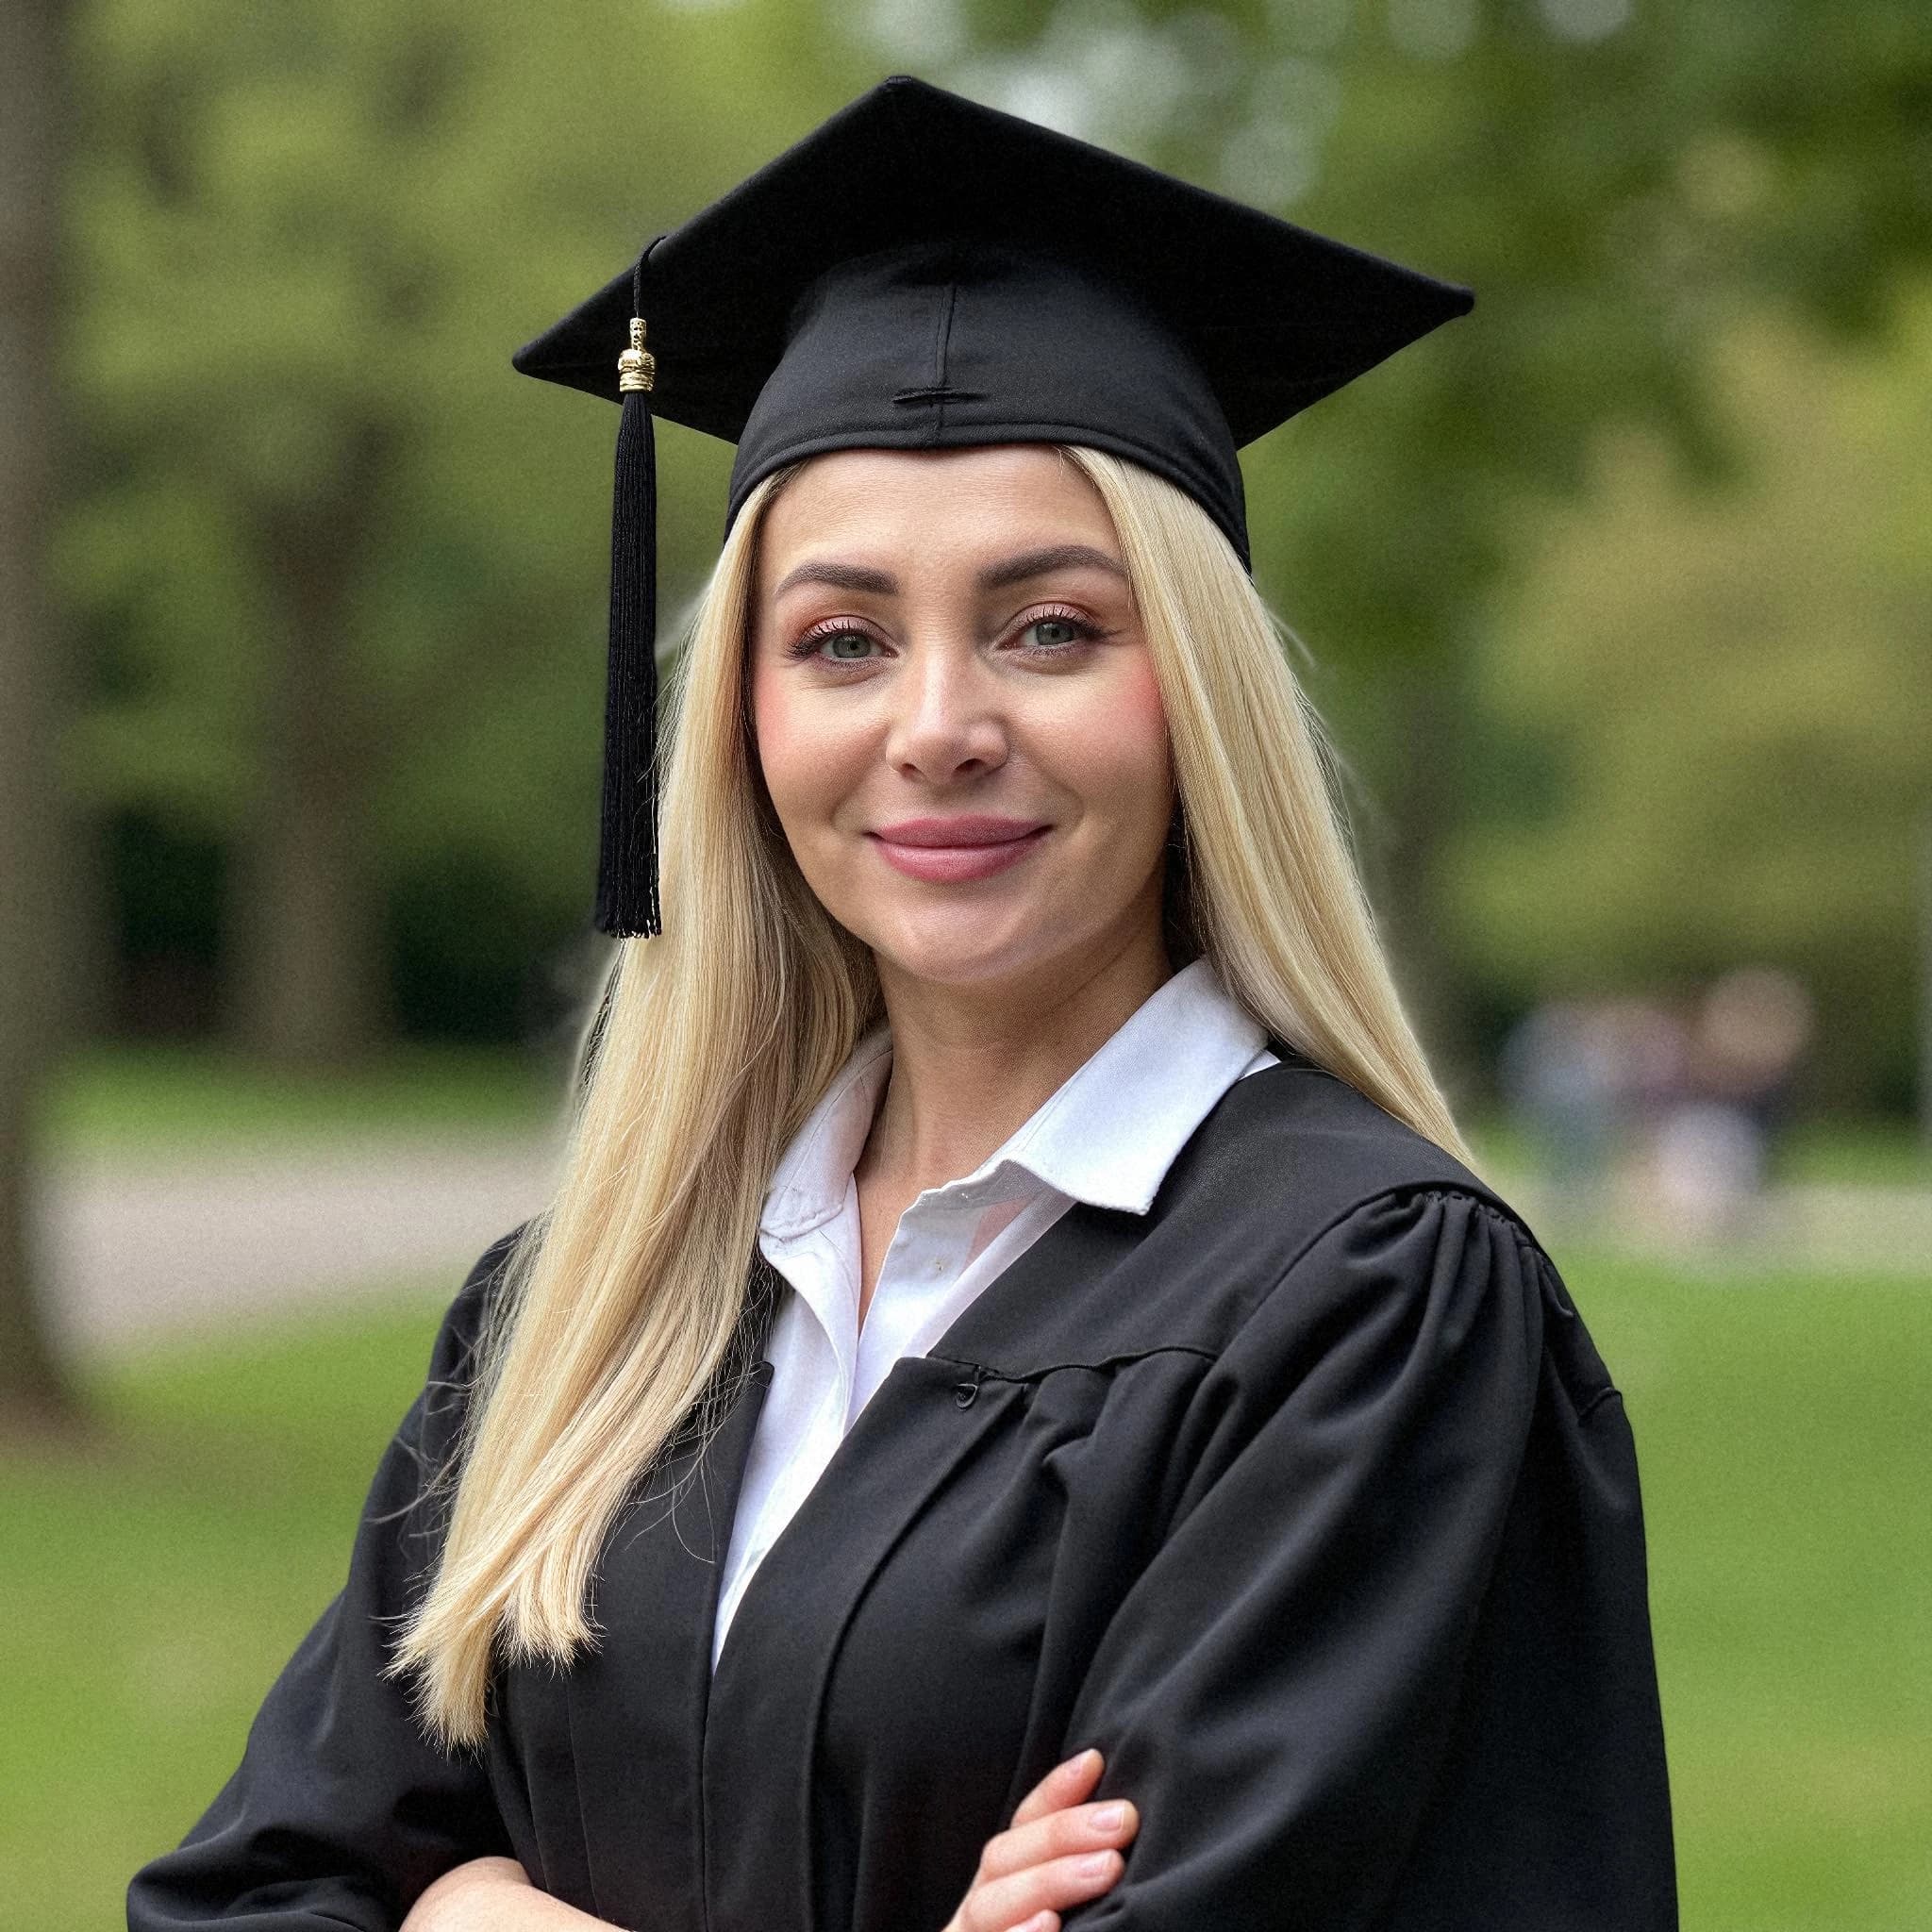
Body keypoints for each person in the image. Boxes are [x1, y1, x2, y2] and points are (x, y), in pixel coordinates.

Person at [128, 75, 1676, 1932]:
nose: (938, 726)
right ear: (745, 719)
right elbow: (249, 1896)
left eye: (1051, 628)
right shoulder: (588, 1310)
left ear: (1197, 694)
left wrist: (470, 1910)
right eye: (843, 640)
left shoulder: (1365, 1307)